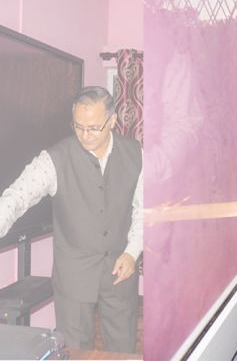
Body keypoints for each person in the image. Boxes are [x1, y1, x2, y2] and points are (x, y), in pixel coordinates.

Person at [0, 86, 142, 353]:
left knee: (123, 349)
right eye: (78, 127)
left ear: (112, 121)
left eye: (93, 128)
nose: (85, 136)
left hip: (121, 269)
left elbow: (142, 210)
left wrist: (132, 253)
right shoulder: (54, 158)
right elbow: (18, 196)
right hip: (73, 276)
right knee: (74, 351)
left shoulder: (136, 154)